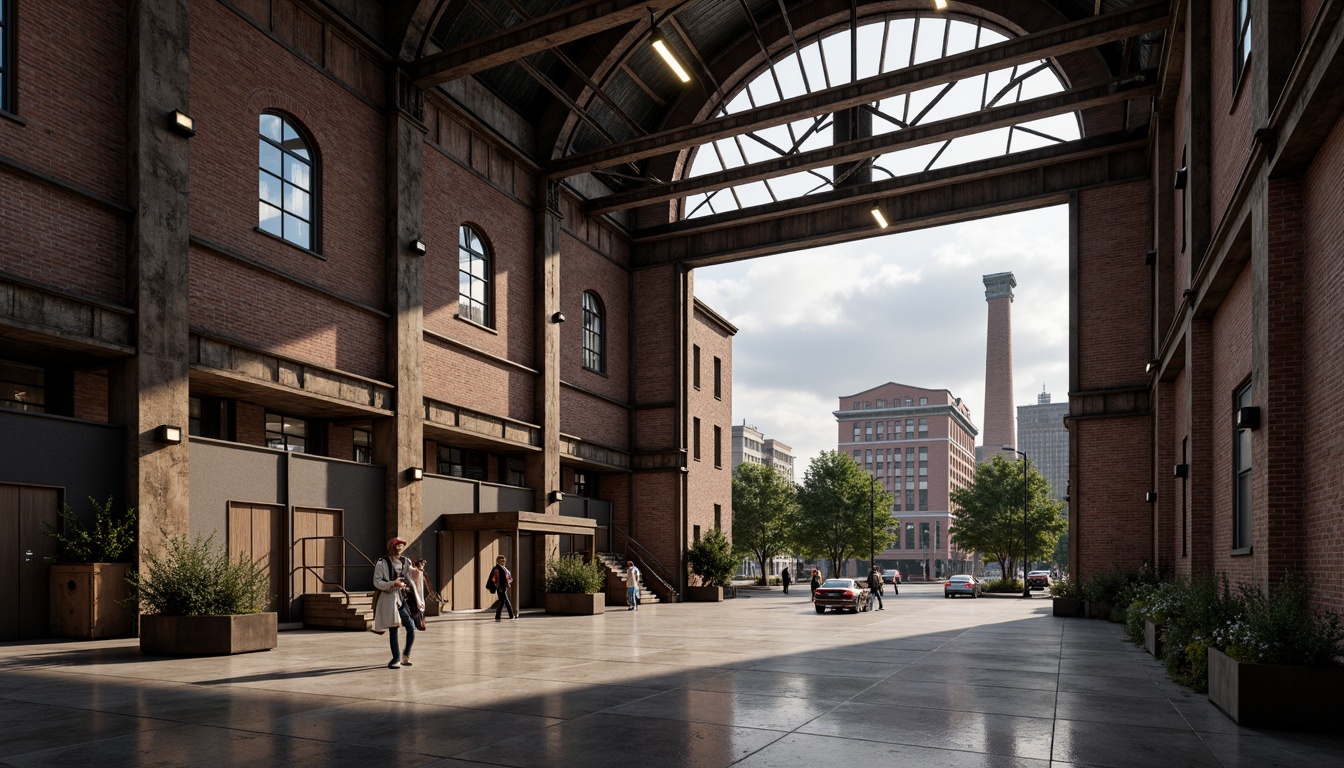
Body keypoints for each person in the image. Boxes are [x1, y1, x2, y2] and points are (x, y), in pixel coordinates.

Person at [373, 537, 417, 668]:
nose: (400, 548)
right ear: (392, 547)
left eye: (401, 546)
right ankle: (396, 658)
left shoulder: (405, 561)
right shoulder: (382, 563)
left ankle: (406, 655)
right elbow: (377, 582)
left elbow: (411, 576)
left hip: (401, 598)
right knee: (394, 628)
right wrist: (393, 583)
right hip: (389, 598)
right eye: (398, 546)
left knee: (411, 626)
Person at [489, 554, 516, 621]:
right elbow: (494, 578)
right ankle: (511, 615)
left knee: (504, 601)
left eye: (503, 560)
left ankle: (503, 616)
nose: (502, 562)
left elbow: (508, 577)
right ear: (498, 561)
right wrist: (496, 585)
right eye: (501, 560)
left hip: (503, 586)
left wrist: (508, 582)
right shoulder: (497, 568)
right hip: (500, 587)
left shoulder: (503, 568)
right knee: (504, 601)